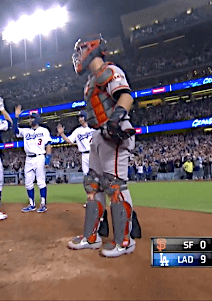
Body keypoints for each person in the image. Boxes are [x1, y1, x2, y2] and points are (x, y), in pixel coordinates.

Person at [67, 35, 141, 257]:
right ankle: (92, 236)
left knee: (114, 185)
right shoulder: (90, 82)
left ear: (93, 50)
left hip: (115, 133)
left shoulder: (111, 70)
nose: (78, 56)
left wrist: (115, 121)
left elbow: (125, 97)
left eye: (81, 50)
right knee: (93, 184)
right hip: (98, 135)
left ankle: (124, 241)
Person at [14, 105, 52, 213]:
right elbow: (15, 130)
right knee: (28, 183)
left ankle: (43, 204)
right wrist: (16, 117)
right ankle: (32, 204)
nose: (30, 120)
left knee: (41, 182)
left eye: (32, 118)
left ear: (37, 119)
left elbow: (48, 144)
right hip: (28, 159)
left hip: (39, 157)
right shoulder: (26, 131)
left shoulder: (44, 131)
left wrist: (47, 159)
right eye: (30, 118)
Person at [57, 111, 95, 175]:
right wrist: (62, 134)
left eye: (81, 117)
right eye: (79, 117)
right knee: (87, 176)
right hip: (84, 155)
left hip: (94, 153)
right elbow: (69, 141)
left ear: (85, 118)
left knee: (96, 175)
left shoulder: (93, 128)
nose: (80, 119)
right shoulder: (77, 131)